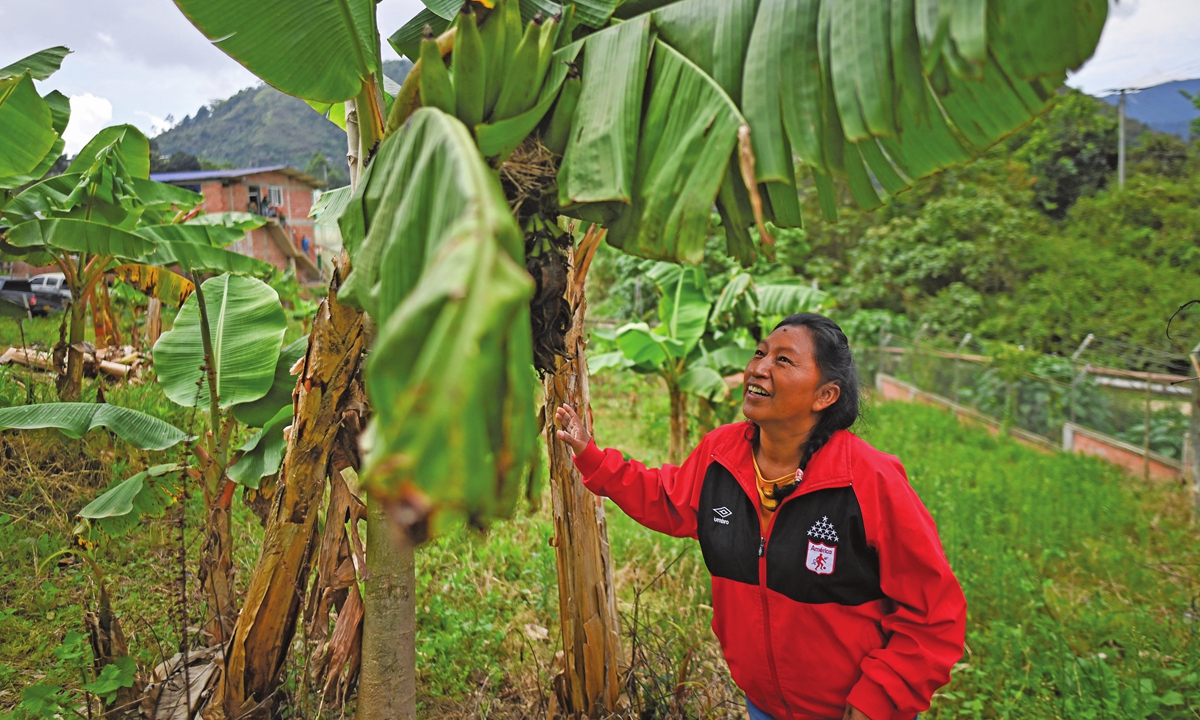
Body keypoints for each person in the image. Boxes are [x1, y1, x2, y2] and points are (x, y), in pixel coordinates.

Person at [555, 313, 966, 720]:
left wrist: (878, 699)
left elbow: (934, 615)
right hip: (764, 705)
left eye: (783, 361)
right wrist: (591, 455)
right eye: (760, 353)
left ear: (825, 395)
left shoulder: (868, 480)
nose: (759, 368)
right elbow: (668, 498)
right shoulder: (722, 454)